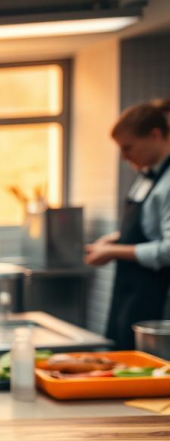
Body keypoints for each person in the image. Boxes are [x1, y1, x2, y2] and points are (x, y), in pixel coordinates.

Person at [87, 99, 170, 349]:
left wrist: (113, 251)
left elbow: (167, 249)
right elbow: (146, 229)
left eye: (128, 147)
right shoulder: (146, 177)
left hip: (155, 296)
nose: (124, 157)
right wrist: (114, 238)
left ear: (155, 136)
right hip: (129, 292)